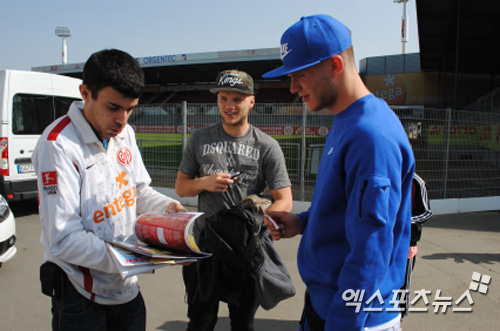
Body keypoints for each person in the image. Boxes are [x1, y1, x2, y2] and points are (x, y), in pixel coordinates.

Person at [262, 15, 415, 331]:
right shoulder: (347, 119)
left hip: (355, 318)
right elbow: (347, 209)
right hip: (326, 304)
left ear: (334, 65)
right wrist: (303, 222)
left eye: (299, 75)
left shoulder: (370, 135)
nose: (293, 88)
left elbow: (370, 252)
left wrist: (342, 324)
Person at [33, 49, 187, 331]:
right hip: (79, 293)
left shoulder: (124, 132)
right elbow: (64, 238)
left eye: (130, 109)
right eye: (114, 107)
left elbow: (138, 191)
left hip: (126, 285)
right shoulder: (57, 145)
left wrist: (169, 210)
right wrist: (138, 256)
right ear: (85, 93)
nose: (123, 119)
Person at [175, 69, 293, 331]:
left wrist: (263, 221)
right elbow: (181, 188)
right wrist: (204, 183)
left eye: (237, 99)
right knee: (200, 320)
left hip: (246, 248)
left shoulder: (267, 146)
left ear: (251, 101)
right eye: (223, 98)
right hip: (203, 245)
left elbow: (284, 198)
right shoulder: (199, 138)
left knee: (242, 323)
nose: (229, 106)